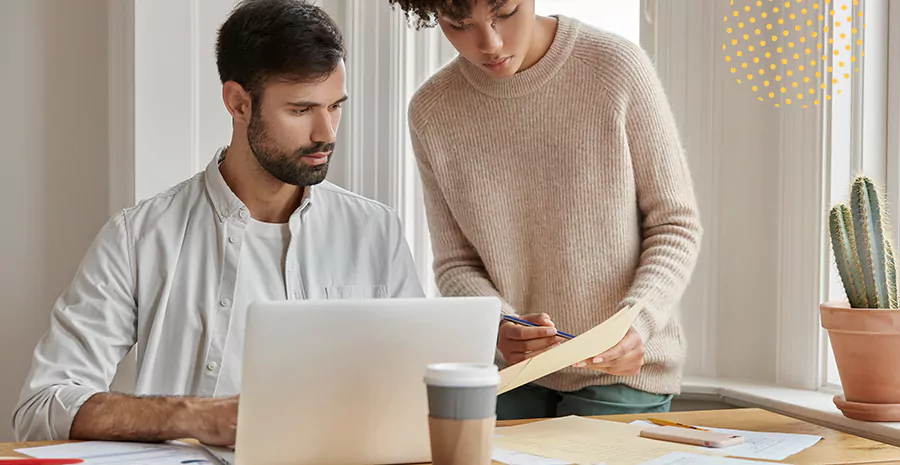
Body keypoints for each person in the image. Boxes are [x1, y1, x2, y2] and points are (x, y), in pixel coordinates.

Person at [14, 0, 423, 444]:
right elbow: (41, 406)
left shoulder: (375, 232)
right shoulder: (139, 238)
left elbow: (423, 386)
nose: (327, 133)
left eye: (335, 106)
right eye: (302, 110)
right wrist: (193, 416)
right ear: (238, 102)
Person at [389, 0, 703, 419]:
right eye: (460, 25)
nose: (491, 44)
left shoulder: (615, 67)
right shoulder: (433, 110)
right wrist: (498, 325)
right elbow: (456, 263)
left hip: (622, 374)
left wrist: (638, 322)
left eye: (505, 13)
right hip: (515, 376)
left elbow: (675, 224)